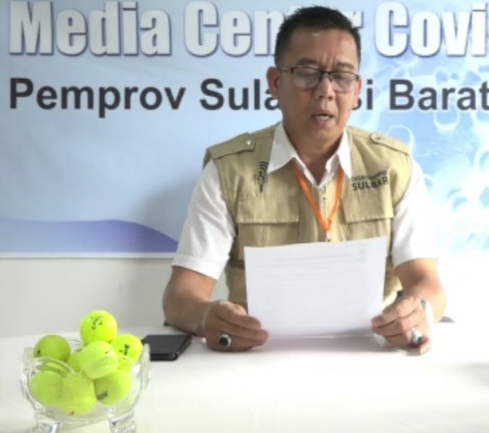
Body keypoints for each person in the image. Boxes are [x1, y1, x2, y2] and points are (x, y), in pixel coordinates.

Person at [162, 5, 447, 354]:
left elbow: (427, 284)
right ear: (275, 83)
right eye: (307, 73)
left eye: (342, 76)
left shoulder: (393, 168)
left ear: (357, 89)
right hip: (255, 356)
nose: (325, 90)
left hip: (369, 355)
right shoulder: (229, 170)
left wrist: (418, 313)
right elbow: (180, 297)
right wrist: (207, 316)